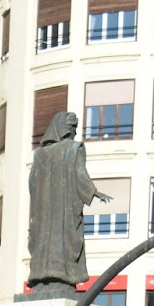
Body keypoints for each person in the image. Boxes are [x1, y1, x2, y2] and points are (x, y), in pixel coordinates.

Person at [26, 111, 112, 291]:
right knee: (64, 239)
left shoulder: (39, 154)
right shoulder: (74, 149)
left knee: (45, 241)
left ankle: (40, 276)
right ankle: (61, 277)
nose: (75, 131)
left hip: (42, 215)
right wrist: (94, 192)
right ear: (67, 129)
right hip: (62, 213)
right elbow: (79, 175)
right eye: (74, 127)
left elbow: (32, 184)